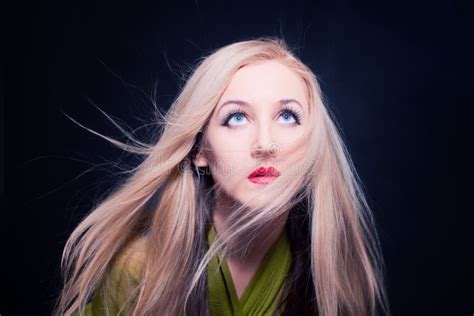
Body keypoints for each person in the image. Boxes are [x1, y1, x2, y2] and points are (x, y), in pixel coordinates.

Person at [54, 37, 391, 316]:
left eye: (287, 116)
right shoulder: (139, 270)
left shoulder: (337, 281)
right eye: (236, 118)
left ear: (314, 147)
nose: (265, 144)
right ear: (200, 150)